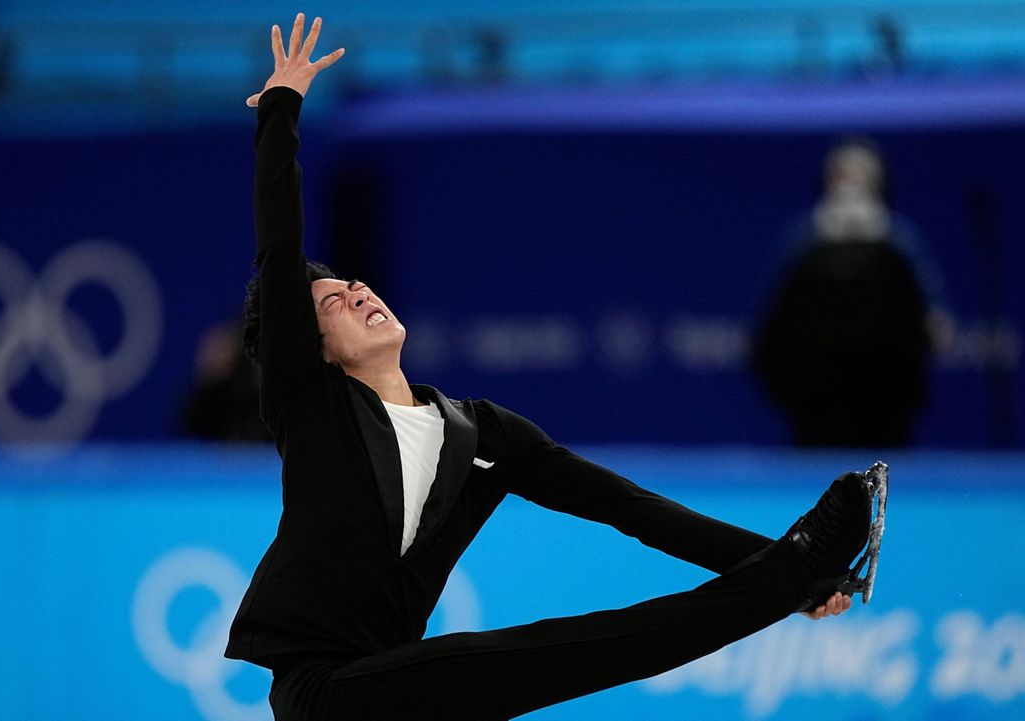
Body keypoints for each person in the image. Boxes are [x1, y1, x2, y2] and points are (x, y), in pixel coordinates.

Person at [228, 15, 884, 721]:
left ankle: (797, 565)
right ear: (312, 345)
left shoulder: (482, 434)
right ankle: (796, 566)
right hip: (325, 692)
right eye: (329, 303)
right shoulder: (311, 404)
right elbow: (279, 238)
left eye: (353, 283)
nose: (357, 291)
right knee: (542, 652)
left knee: (607, 645)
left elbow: (633, 510)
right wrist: (282, 108)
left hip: (402, 684)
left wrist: (789, 572)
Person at [752, 139, 948, 447]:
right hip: (815, 406)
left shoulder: (900, 245)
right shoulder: (803, 245)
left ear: (878, 184)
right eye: (842, 178)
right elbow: (769, 335)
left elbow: (936, 329)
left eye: (860, 179)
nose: (850, 191)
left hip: (886, 403)